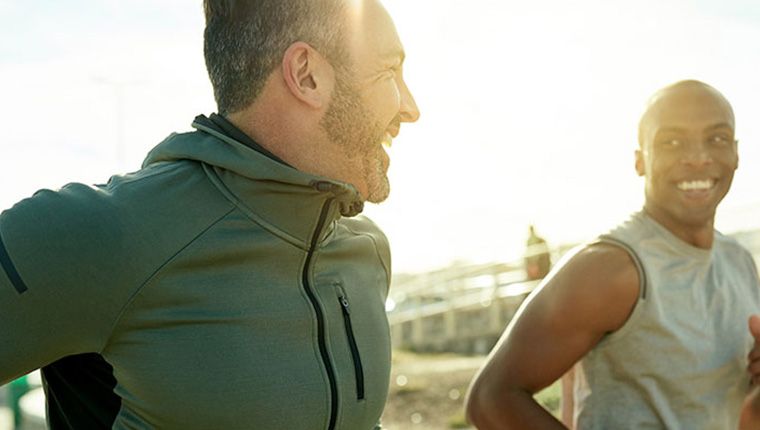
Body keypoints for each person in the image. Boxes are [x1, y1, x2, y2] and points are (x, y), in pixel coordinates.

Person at [0, 0, 419, 428]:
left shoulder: (366, 251)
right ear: (306, 74)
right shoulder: (102, 233)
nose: (410, 107)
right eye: (390, 72)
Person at [464, 80, 760, 429]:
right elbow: (491, 398)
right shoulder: (610, 268)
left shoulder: (740, 262)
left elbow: (738, 416)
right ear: (640, 160)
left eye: (717, 138)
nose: (698, 157)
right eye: (672, 142)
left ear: (737, 153)